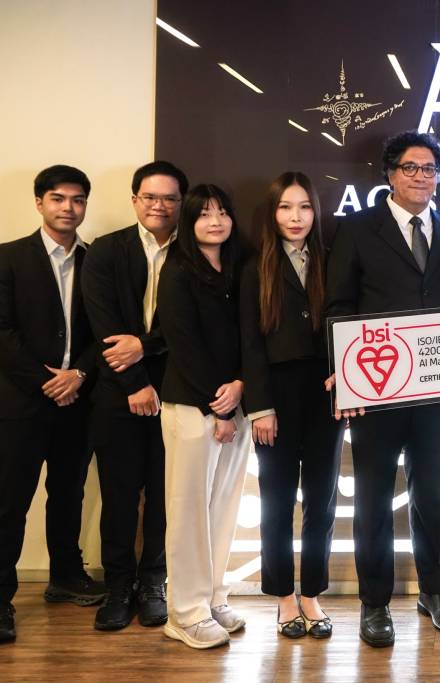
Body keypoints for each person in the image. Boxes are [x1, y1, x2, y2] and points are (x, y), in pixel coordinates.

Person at [326, 131, 440, 647]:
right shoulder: (356, 229)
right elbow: (338, 305)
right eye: (411, 167)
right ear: (389, 173)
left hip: (438, 393)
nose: (421, 177)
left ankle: (436, 591)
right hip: (375, 389)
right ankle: (375, 602)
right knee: (372, 499)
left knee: (432, 497)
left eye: (429, 169)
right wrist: (346, 376)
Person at [81, 161, 188, 631]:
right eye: (150, 196)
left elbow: (191, 326)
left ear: (181, 203)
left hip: (177, 391)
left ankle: (153, 582)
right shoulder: (106, 250)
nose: (158, 205)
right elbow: (103, 327)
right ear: (134, 200)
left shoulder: (194, 251)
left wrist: (145, 346)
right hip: (117, 392)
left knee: (165, 496)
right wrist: (136, 384)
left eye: (169, 198)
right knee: (119, 495)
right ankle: (119, 586)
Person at [0, 165, 102, 643]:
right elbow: (2, 332)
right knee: (9, 502)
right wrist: (48, 382)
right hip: (20, 404)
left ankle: (65, 576)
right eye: (58, 198)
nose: (68, 208)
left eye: (77, 199)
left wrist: (78, 375)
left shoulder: (96, 260)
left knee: (68, 493)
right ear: (39, 202)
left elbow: (104, 329)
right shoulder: (8, 258)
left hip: (78, 401)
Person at [240, 172, 342, 639]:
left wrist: (349, 386)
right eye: (285, 207)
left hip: (326, 392)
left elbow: (349, 325)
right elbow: (249, 342)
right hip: (276, 395)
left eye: (304, 207)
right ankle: (283, 595)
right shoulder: (254, 267)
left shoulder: (330, 259)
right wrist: (260, 406)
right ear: (272, 213)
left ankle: (312, 593)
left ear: (315, 212)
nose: (295, 217)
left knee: (321, 499)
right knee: (277, 500)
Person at [157, 184, 249, 649]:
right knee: (189, 511)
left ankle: (212, 597)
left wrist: (240, 387)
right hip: (193, 407)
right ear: (189, 222)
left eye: (223, 212)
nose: (216, 221)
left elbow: (249, 336)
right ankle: (185, 612)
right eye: (204, 214)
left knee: (223, 507)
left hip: (236, 402)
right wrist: (219, 406)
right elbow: (184, 345)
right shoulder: (177, 270)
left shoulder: (237, 266)